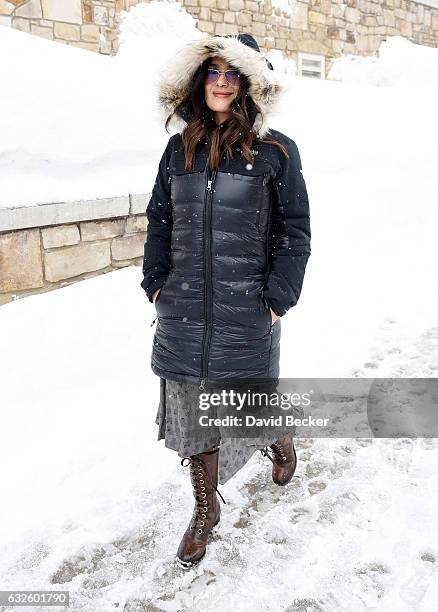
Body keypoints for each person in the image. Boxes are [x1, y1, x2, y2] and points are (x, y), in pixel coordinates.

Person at [141, 33, 311, 568]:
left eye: (231, 73)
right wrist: (156, 280)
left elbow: (294, 231)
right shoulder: (179, 149)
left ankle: (277, 438)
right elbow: (160, 220)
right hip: (184, 309)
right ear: (198, 81)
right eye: (211, 72)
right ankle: (204, 507)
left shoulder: (276, 152)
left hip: (247, 308)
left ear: (248, 84)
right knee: (191, 415)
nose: (220, 81)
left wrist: (277, 297)